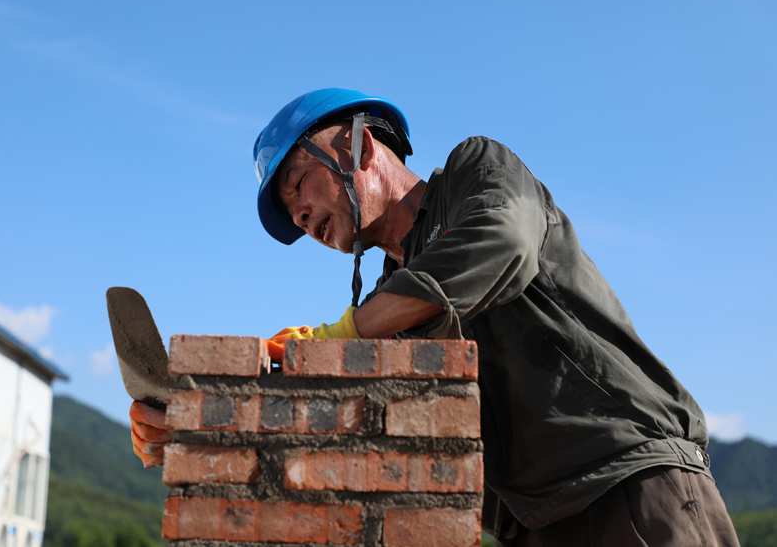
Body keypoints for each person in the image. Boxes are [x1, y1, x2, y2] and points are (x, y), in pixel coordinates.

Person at [131, 88, 739, 546]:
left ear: (357, 145)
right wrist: (196, 427)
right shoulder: (391, 296)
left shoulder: (477, 172)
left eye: (297, 185)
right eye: (288, 211)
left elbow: (503, 241)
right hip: (536, 526)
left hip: (631, 486)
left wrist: (335, 335)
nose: (298, 216)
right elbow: (340, 423)